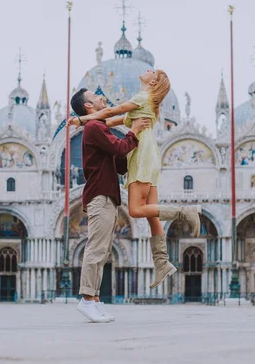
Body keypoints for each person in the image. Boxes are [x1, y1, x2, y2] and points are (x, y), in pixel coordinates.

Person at [69, 69, 200, 291]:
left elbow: (112, 111)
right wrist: (90, 124)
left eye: (153, 73)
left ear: (153, 82)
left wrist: (81, 120)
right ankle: (161, 263)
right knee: (152, 214)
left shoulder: (142, 96)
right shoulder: (146, 103)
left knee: (137, 210)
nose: (148, 71)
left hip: (141, 155)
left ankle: (185, 212)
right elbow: (114, 121)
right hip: (150, 155)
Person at [70, 90, 151, 323]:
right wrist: (133, 131)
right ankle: (86, 299)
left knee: (104, 251)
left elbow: (119, 162)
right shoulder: (93, 127)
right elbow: (118, 148)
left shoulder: (100, 128)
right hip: (100, 196)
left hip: (108, 196)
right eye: (95, 97)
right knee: (96, 249)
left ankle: (94, 301)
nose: (100, 97)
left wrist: (135, 144)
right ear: (88, 106)